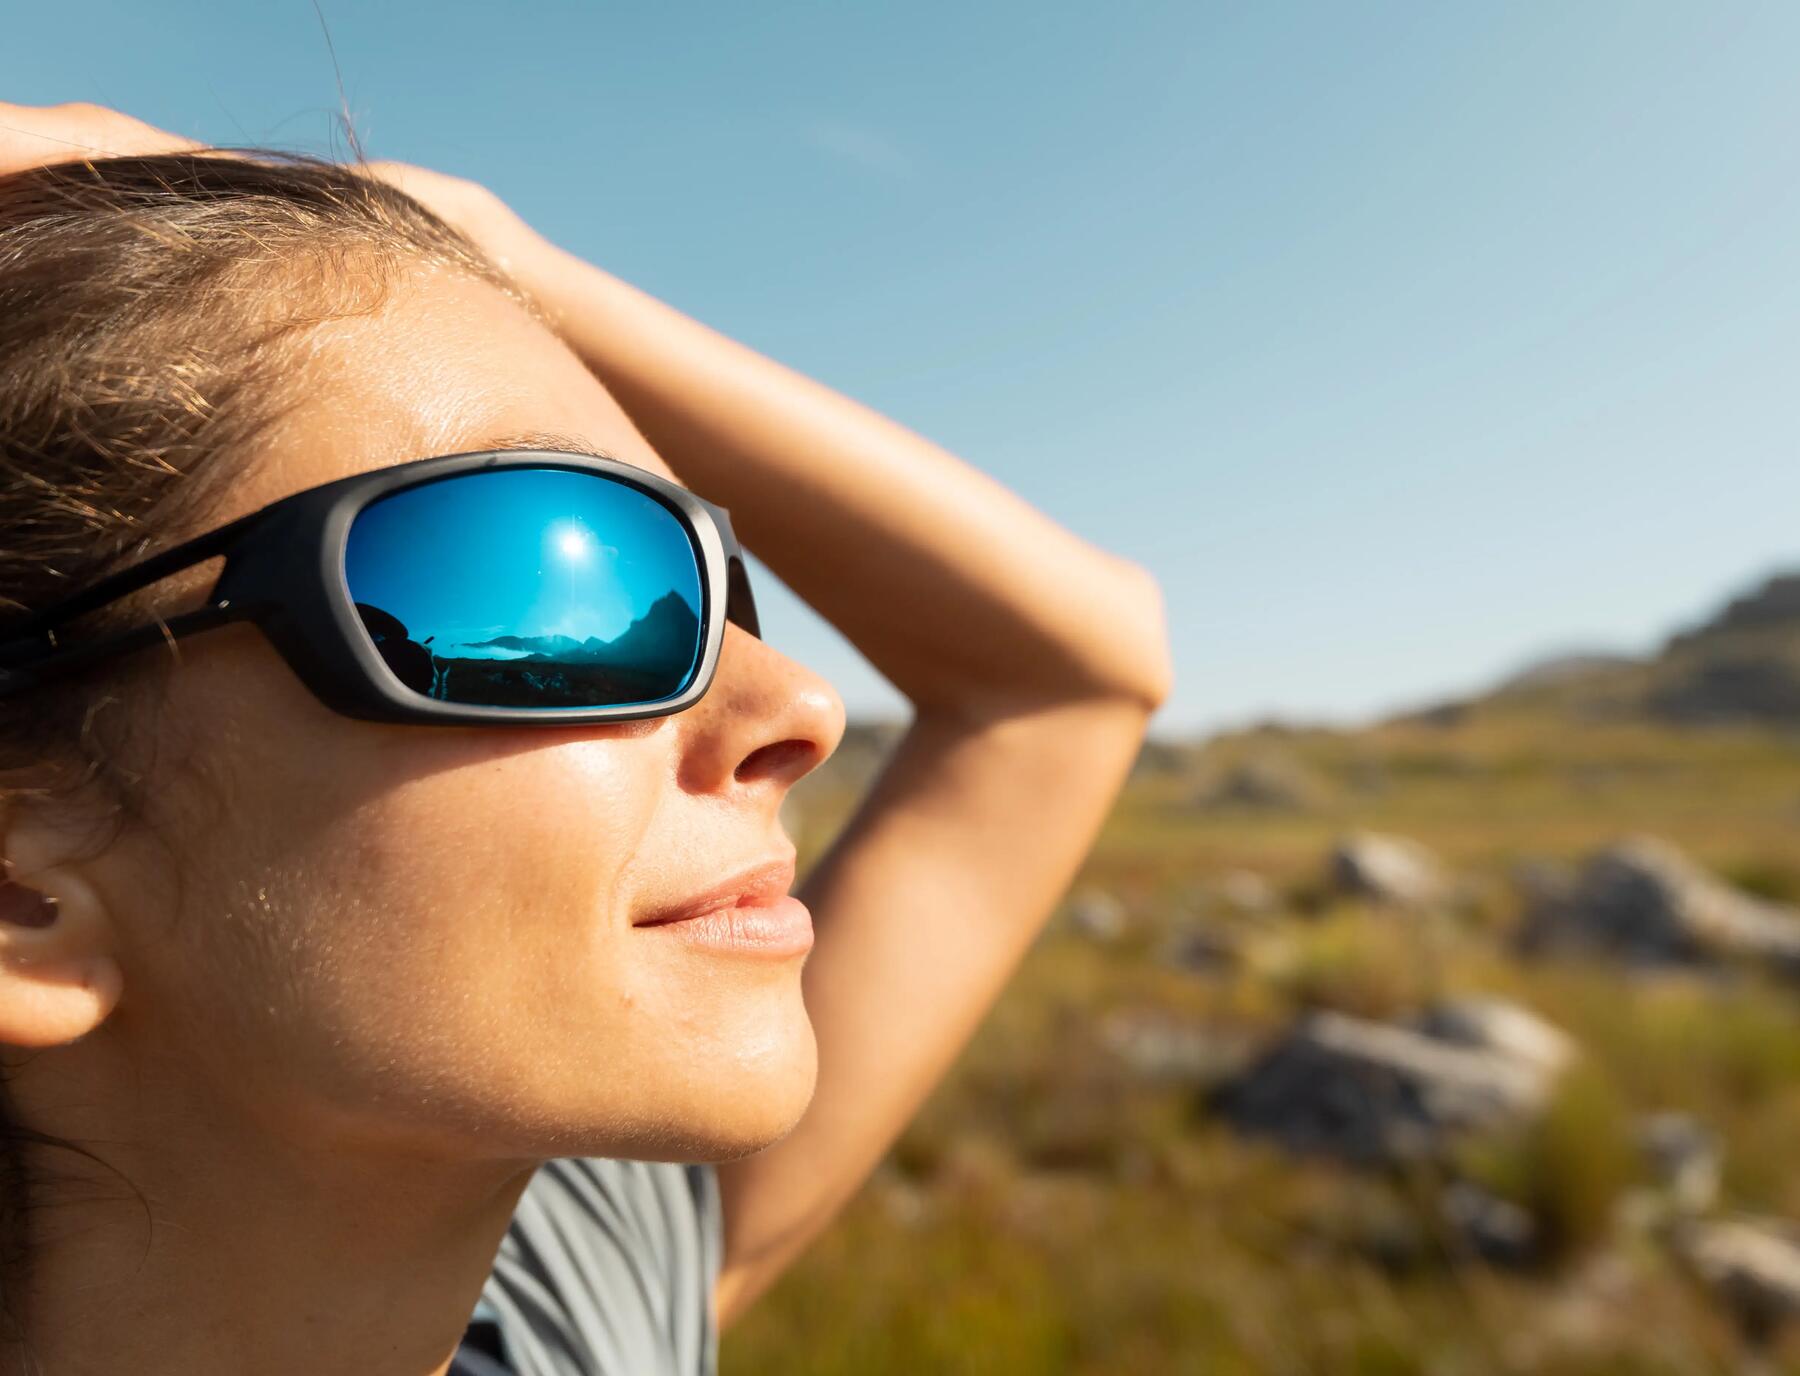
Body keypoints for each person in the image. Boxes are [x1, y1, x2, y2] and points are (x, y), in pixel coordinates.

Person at [0, 101, 1172, 1375]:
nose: (802, 708)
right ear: (19, 880)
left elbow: (1078, 673)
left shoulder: (590, 1294)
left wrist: (491, 257)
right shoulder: (597, 1309)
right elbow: (1059, 685)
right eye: (541, 593)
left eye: (718, 587)